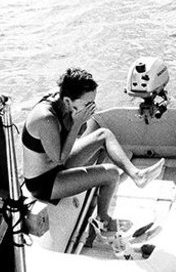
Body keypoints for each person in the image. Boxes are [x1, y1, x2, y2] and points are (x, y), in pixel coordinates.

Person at [21, 67, 164, 234]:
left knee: (104, 134)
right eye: (87, 104)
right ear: (67, 100)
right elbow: (59, 158)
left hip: (56, 165)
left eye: (92, 102)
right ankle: (104, 221)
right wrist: (76, 123)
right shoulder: (45, 118)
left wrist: (80, 121)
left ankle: (137, 175)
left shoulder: (66, 101)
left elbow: (74, 136)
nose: (90, 106)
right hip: (44, 183)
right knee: (112, 174)